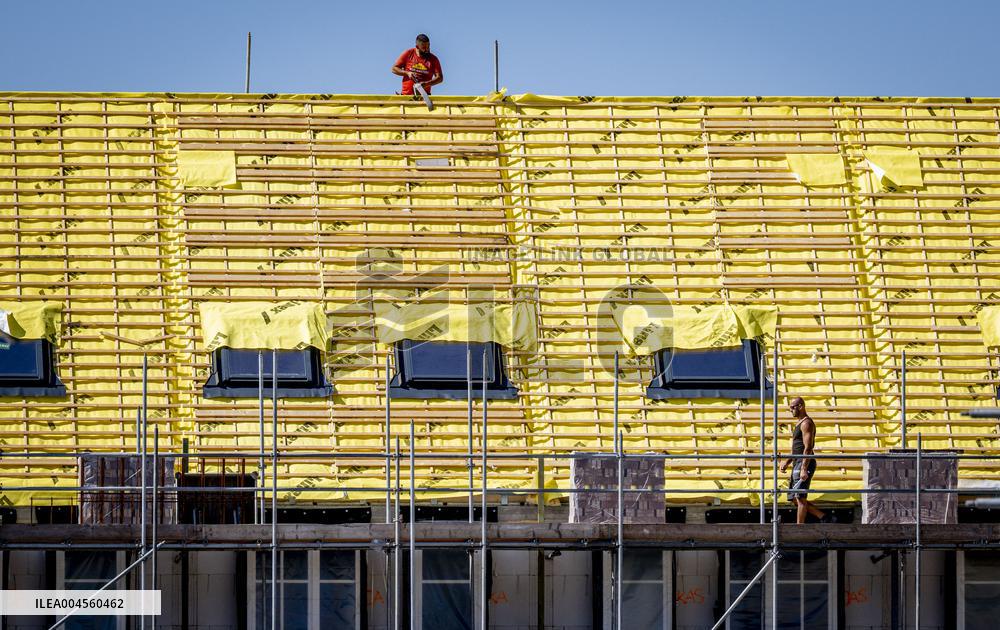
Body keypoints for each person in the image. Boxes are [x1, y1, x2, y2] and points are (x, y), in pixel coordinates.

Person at [780, 397, 832, 524]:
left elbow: (808, 447)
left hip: (804, 462)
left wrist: (804, 468)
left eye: (793, 407)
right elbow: (797, 448)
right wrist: (787, 462)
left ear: (801, 406)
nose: (790, 410)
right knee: (793, 497)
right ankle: (823, 517)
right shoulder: (799, 423)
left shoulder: (806, 423)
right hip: (798, 461)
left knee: (800, 497)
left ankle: (799, 528)